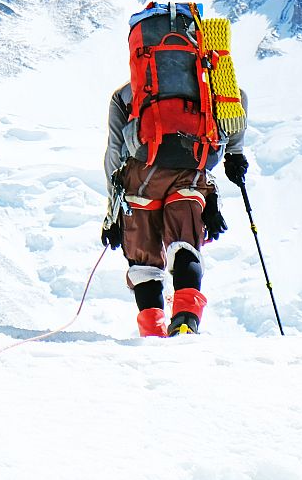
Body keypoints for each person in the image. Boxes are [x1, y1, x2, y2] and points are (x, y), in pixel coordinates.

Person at [103, 82, 249, 337]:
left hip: (141, 177)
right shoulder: (210, 77)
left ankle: (153, 334)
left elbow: (115, 152)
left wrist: (112, 212)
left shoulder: (130, 90)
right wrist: (234, 153)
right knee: (185, 244)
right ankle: (185, 321)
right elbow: (239, 98)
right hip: (191, 171)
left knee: (143, 260)